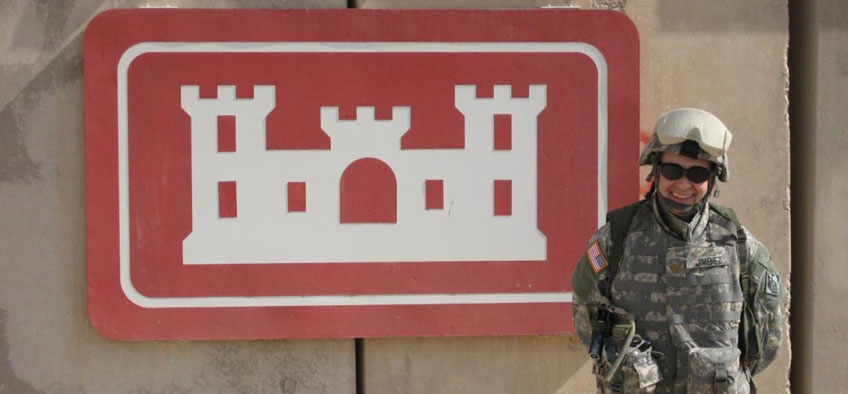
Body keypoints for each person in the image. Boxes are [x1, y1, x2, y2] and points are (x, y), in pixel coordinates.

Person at [571, 108, 786, 393]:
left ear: (712, 179)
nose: (683, 184)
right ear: (656, 171)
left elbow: (767, 335)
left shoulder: (738, 244)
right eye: (673, 171)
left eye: (697, 173)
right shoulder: (617, 238)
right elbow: (585, 311)